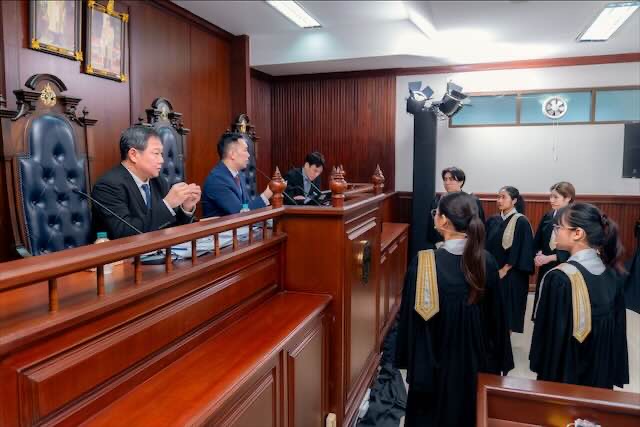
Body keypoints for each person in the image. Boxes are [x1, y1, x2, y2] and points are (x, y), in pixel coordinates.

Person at [395, 192, 513, 427]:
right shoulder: (487, 261)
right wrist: (497, 362)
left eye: (436, 212)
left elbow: (410, 322)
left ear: (444, 220)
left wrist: (409, 359)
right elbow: (497, 320)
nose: (434, 216)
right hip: (474, 365)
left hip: (433, 368)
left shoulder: (425, 263)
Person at [530, 203, 629, 389]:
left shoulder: (560, 279)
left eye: (558, 227)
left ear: (577, 233)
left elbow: (548, 340)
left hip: (566, 379)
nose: (555, 232)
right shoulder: (612, 273)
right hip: (599, 374)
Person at [92, 126, 201, 240]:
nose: (162, 160)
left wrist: (186, 208)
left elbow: (169, 226)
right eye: (156, 153)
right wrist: (167, 205)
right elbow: (124, 233)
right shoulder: (107, 186)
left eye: (161, 154)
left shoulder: (158, 181)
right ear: (133, 155)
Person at [485, 186, 535, 334]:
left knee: (507, 313)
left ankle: (505, 342)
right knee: (491, 311)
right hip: (493, 272)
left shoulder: (521, 222)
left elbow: (524, 250)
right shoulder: (493, 220)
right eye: (498, 197)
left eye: (503, 197)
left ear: (514, 201)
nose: (499, 200)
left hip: (512, 274)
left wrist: (505, 269)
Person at [202, 132, 273, 217]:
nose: (248, 155)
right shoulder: (217, 180)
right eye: (245, 150)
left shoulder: (238, 175)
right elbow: (239, 213)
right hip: (224, 225)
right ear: (232, 154)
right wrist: (266, 195)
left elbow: (246, 206)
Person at [531, 182, 575, 320]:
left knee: (560, 307)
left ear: (568, 198)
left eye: (556, 197)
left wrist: (550, 258)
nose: (551, 200)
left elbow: (575, 247)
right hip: (545, 265)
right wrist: (538, 254)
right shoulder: (548, 215)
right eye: (551, 196)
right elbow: (538, 240)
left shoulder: (574, 217)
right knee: (544, 300)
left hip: (565, 266)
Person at [426, 167, 485, 249]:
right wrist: (437, 242)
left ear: (461, 182)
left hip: (466, 245)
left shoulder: (471, 200)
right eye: (445, 179)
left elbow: (478, 224)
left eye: (451, 179)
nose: (447, 182)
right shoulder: (437, 200)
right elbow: (432, 224)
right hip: (441, 245)